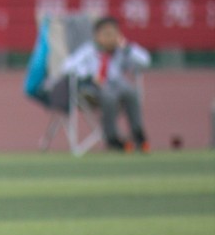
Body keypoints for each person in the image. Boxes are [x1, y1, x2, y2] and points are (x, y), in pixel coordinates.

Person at [56, 16, 151, 152]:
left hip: (118, 85)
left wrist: (127, 48)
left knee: (131, 93)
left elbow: (145, 61)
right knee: (109, 97)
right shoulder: (88, 51)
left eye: (114, 34)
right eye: (106, 34)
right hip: (94, 88)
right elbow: (67, 67)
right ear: (97, 36)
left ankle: (138, 134)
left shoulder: (122, 51)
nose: (110, 38)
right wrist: (88, 75)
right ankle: (111, 137)